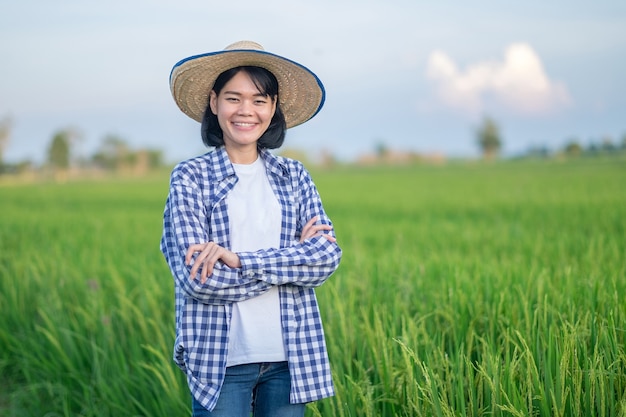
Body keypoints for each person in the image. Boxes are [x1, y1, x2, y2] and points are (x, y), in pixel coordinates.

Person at [160, 40, 342, 417]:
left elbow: (325, 259)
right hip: (220, 361)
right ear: (214, 103)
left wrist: (237, 260)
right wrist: (291, 266)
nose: (246, 111)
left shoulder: (294, 175)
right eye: (233, 98)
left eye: (259, 100)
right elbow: (199, 279)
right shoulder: (191, 178)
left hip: (290, 357)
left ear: (273, 108)